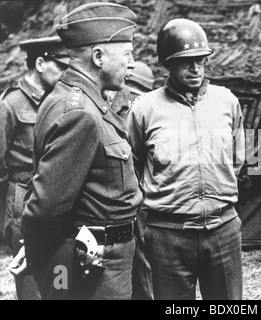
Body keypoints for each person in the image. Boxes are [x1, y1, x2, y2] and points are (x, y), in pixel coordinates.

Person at [20, 2, 143, 300]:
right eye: (127, 54)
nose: (133, 63)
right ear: (98, 56)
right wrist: (46, 258)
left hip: (100, 255)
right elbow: (47, 206)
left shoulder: (74, 100)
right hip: (95, 261)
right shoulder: (81, 114)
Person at [126, 18, 246, 300]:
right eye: (186, 62)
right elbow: (131, 164)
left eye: (201, 61)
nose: (195, 69)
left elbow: (239, 158)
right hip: (168, 233)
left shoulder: (226, 101)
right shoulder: (145, 109)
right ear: (167, 64)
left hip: (223, 229)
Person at [0, 35, 70, 300]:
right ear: (40, 63)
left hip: (56, 195)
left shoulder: (59, 100)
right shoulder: (10, 104)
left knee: (60, 268)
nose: (66, 73)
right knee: (28, 270)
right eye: (62, 67)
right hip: (22, 198)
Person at [102, 60, 156, 300]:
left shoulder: (133, 110)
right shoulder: (110, 106)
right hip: (124, 199)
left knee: (142, 267)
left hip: (136, 198)